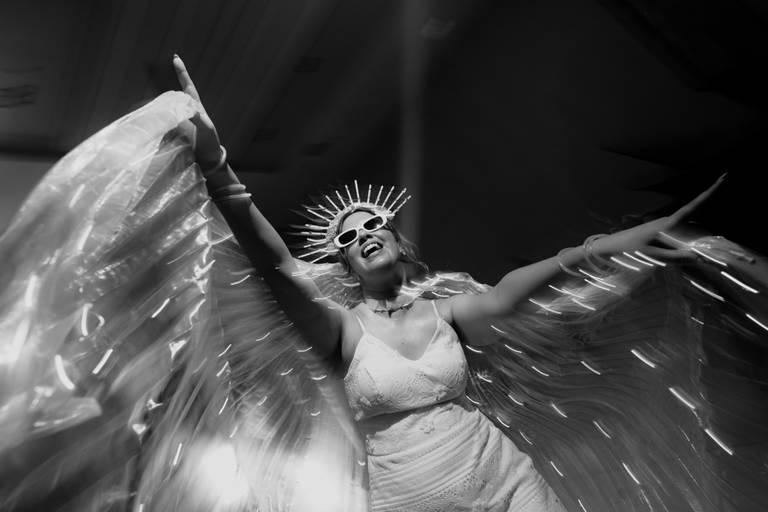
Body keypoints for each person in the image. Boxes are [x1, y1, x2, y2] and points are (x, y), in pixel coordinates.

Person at [170, 55, 739, 512]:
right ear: (346, 265)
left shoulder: (448, 313)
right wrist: (218, 168)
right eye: (349, 236)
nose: (363, 234)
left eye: (373, 224)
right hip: (411, 498)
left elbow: (542, 276)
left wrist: (643, 235)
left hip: (504, 478)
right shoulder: (340, 330)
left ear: (397, 241)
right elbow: (278, 267)